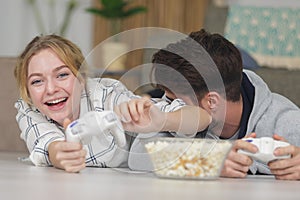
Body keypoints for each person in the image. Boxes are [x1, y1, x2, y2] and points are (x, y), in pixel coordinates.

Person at [14, 34, 211, 173]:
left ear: (82, 78)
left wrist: (163, 120)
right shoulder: (28, 109)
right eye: (37, 81)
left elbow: (202, 118)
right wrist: (60, 154)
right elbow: (48, 143)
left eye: (62, 75)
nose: (50, 89)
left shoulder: (105, 94)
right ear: (28, 91)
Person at [130, 29, 300, 180]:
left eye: (175, 100)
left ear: (212, 101)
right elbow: (137, 156)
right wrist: (209, 162)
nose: (169, 106)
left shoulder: (286, 122)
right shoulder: (174, 114)